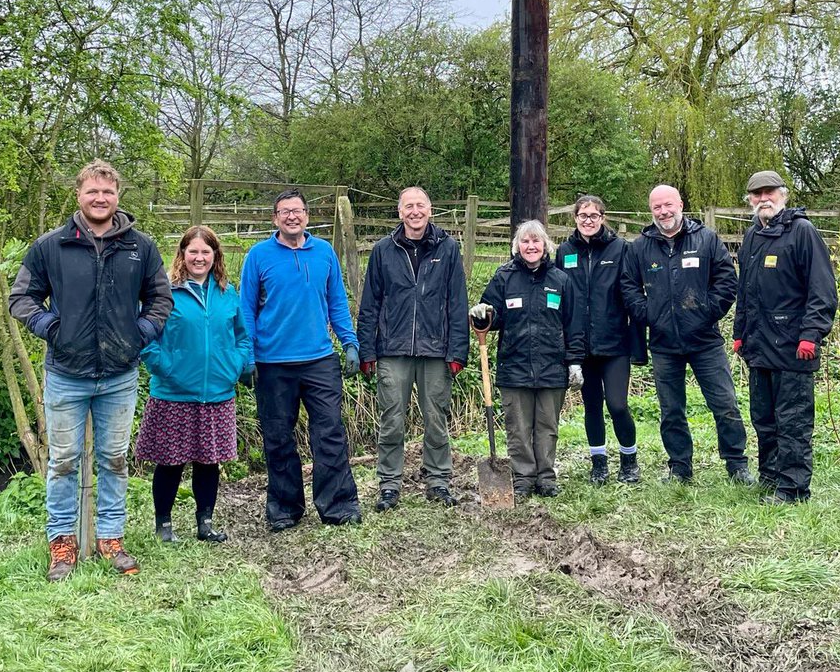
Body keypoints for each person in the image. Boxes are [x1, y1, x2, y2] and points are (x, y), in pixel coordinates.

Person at [9, 159, 173, 580]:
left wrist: (141, 333)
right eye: (91, 192)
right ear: (78, 195)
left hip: (119, 374)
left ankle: (110, 538)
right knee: (63, 461)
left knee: (115, 459)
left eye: (108, 192)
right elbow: (21, 297)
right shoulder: (52, 245)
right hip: (66, 372)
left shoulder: (140, 246)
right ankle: (63, 542)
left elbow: (160, 299)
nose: (100, 198)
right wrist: (50, 327)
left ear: (118, 196)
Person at [239, 189, 361, 531]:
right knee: (278, 436)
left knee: (330, 433)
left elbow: (337, 301)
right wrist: (247, 354)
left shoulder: (323, 253)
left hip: (319, 359)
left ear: (307, 216)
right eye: (284, 212)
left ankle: (338, 505)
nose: (292, 217)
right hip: (273, 362)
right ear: (275, 218)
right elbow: (245, 310)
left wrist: (350, 342)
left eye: (298, 211)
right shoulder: (259, 256)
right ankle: (284, 507)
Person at [621, 184, 753, 485]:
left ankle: (736, 464)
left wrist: (707, 311)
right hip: (664, 343)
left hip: (705, 340)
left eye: (668, 205)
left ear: (680, 204)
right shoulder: (640, 246)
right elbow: (628, 286)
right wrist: (648, 314)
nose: (664, 212)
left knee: (725, 404)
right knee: (671, 410)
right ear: (650, 210)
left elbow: (726, 280)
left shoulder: (705, 239)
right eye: (657, 207)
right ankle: (680, 467)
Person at [136, 226, 254, 542]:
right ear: (182, 254)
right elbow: (145, 337)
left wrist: (236, 365)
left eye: (206, 252)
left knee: (208, 461)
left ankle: (205, 523)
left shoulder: (228, 293)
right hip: (173, 392)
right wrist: (164, 366)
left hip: (217, 391)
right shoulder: (165, 292)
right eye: (193, 252)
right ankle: (164, 525)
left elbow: (242, 337)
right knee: (170, 462)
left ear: (215, 255)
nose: (199, 258)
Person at [357, 186, 469, 512]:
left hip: (436, 350)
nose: (415, 211)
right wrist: (368, 350)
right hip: (393, 349)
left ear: (430, 210)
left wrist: (457, 352)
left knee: (437, 418)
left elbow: (457, 303)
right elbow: (370, 305)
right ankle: (390, 485)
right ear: (400, 211)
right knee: (392, 419)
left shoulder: (448, 249)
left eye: (420, 205)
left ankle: (438, 481)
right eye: (409, 206)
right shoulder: (383, 250)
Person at [733, 171, 837, 504]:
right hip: (759, 345)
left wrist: (811, 334)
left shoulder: (802, 232)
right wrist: (739, 333)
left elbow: (822, 289)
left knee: (792, 420)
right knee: (763, 416)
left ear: (783, 194)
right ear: (750, 199)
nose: (764, 198)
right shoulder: (752, 235)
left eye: (769, 192)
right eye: (757, 194)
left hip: (794, 346)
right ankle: (770, 476)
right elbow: (745, 290)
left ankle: (793, 489)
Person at [469, 220, 584, 499]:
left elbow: (574, 325)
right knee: (518, 428)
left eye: (536, 241)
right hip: (515, 366)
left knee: (547, 427)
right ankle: (522, 478)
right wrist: (482, 314)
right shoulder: (504, 278)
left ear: (545, 246)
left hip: (552, 367)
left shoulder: (561, 280)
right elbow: (490, 318)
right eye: (525, 242)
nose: (531, 246)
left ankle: (546, 477)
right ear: (517, 247)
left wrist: (575, 362)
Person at [556, 194, 641, 485]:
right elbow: (559, 295)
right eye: (583, 216)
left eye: (594, 215)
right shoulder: (564, 251)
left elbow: (631, 293)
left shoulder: (620, 249)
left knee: (617, 405)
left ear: (603, 218)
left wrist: (638, 339)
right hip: (580, 345)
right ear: (575, 219)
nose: (588, 220)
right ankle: (599, 463)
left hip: (614, 343)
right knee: (592, 405)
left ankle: (629, 460)